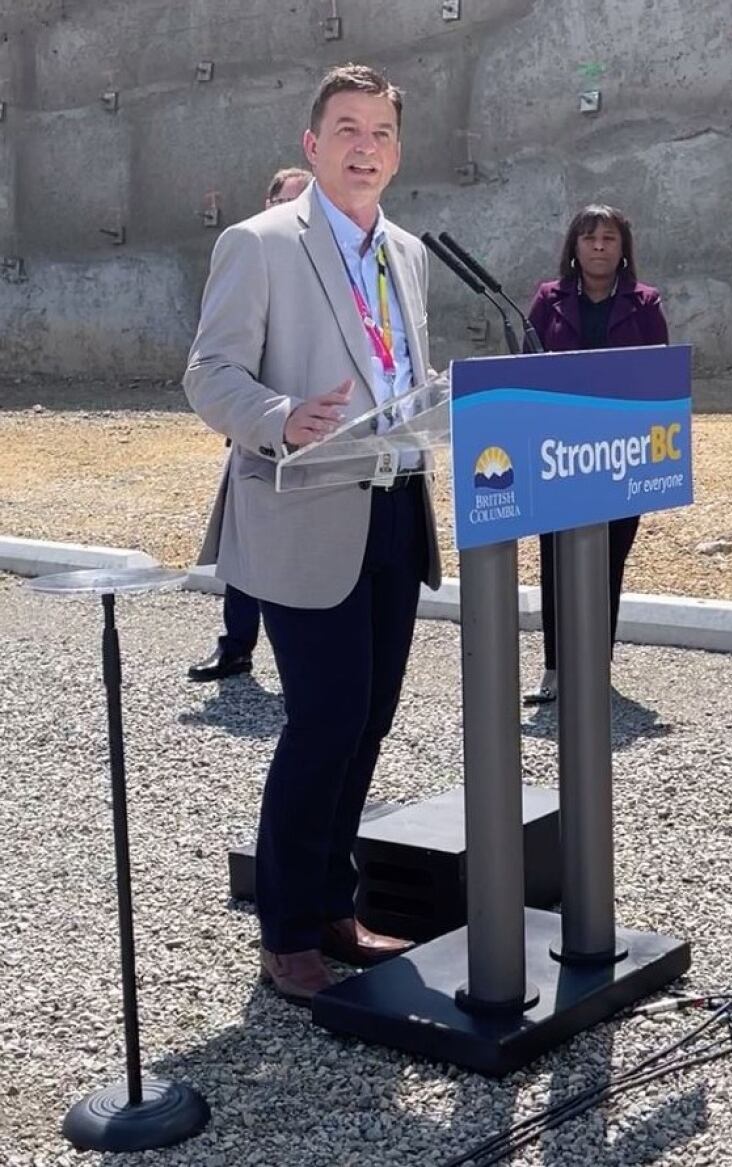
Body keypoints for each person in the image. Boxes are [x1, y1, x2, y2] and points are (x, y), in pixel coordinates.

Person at [183, 64, 441, 1002]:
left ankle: (335, 901)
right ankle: (286, 929)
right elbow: (208, 375)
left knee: (369, 719)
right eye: (346, 129)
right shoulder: (259, 245)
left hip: (393, 508)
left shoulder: (407, 253)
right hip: (303, 513)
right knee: (324, 718)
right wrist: (283, 414)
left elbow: (404, 374)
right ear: (312, 144)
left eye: (380, 131)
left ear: (397, 150)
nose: (364, 147)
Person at [523, 204, 669, 704]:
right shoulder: (548, 298)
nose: (600, 247)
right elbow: (528, 367)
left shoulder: (645, 303)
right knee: (556, 558)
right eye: (590, 238)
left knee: (608, 560)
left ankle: (594, 666)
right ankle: (555, 667)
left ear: (624, 247)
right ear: (575, 247)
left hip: (620, 455)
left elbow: (660, 376)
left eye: (609, 238)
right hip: (557, 454)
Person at [188, 165, 312, 682]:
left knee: (302, 557)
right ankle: (236, 645)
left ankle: (302, 664)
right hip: (259, 434)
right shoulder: (249, 253)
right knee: (245, 549)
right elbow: (219, 360)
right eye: (285, 200)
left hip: (317, 443)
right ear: (267, 204)